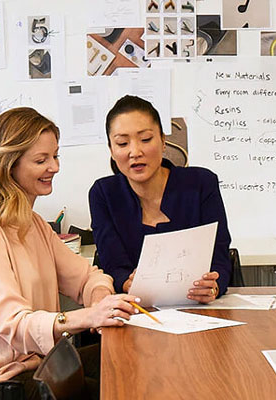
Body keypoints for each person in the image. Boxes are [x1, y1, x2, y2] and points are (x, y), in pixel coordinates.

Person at [0, 107, 139, 399]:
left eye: (55, 156)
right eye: (41, 160)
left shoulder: (33, 225)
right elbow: (15, 325)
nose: (54, 167)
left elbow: (87, 277)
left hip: (36, 367)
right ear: (9, 165)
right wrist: (88, 317)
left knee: (130, 361)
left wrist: (100, 302)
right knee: (117, 386)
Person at [89, 95, 232, 303]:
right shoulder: (104, 193)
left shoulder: (201, 184)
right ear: (111, 150)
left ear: (163, 141)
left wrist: (213, 287)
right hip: (136, 308)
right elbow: (113, 266)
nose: (135, 152)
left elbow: (220, 258)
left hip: (198, 307)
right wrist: (128, 282)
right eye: (122, 143)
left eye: (146, 139)